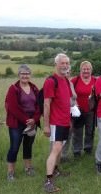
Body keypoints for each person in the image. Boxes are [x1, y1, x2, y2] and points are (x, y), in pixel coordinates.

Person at [5, 64, 41, 181]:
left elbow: (39, 105)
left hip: (32, 122)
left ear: (30, 75)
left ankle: (28, 168)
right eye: (22, 73)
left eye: (27, 73)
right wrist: (27, 120)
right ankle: (10, 173)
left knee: (28, 146)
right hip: (17, 123)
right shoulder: (13, 88)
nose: (25, 75)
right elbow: (13, 108)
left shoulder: (35, 88)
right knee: (14, 147)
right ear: (19, 75)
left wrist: (34, 120)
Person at [43, 53, 72, 193]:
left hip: (65, 121)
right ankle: (48, 181)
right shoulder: (51, 81)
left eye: (67, 63)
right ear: (56, 64)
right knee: (56, 149)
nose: (65, 65)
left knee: (59, 148)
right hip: (56, 122)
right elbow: (47, 104)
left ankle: (56, 170)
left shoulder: (65, 80)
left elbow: (69, 99)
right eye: (62, 63)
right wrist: (46, 125)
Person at [69, 61, 96, 157]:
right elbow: (68, 94)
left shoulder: (95, 80)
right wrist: (74, 103)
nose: (86, 71)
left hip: (91, 111)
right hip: (78, 111)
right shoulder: (74, 80)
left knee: (90, 131)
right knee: (77, 131)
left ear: (91, 70)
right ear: (80, 70)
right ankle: (77, 150)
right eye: (84, 69)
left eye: (88, 69)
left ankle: (88, 148)